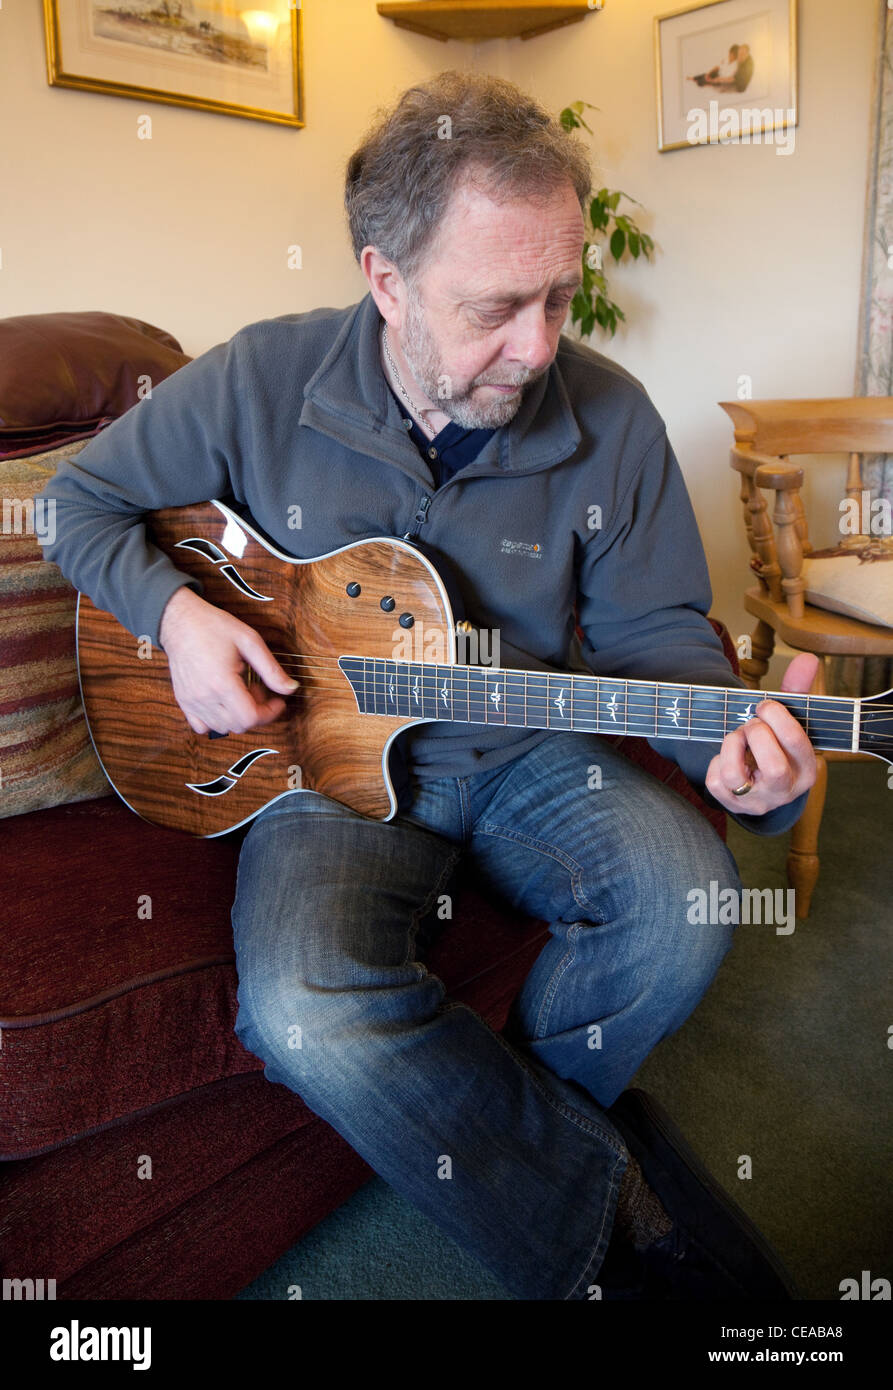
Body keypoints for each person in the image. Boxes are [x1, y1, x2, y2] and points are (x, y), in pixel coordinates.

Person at [39, 70, 817, 1300]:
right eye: (497, 306)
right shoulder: (258, 379)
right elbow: (74, 502)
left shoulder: (610, 419)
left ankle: (501, 1138)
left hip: (522, 750)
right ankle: (612, 1201)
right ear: (385, 281)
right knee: (302, 1009)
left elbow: (662, 641)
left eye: (561, 295)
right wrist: (176, 615)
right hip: (319, 769)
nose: (542, 344)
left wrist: (749, 764)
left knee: (692, 899)